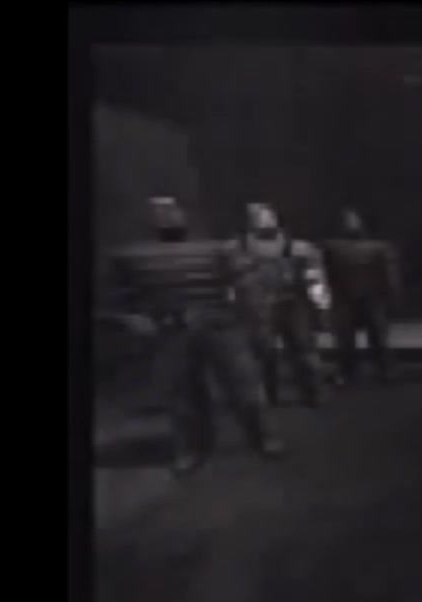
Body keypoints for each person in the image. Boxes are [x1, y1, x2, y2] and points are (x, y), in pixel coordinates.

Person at [108, 197, 283, 474]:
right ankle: (190, 446)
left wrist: (256, 324)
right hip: (171, 329)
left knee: (244, 386)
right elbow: (119, 297)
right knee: (181, 395)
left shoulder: (217, 250)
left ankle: (263, 436)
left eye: (172, 211)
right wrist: (134, 319)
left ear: (185, 216)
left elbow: (247, 286)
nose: (168, 217)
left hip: (219, 324)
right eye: (160, 213)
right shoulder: (133, 258)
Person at [234, 202, 326, 407]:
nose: (265, 221)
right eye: (259, 217)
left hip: (292, 303)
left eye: (268, 216)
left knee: (304, 350)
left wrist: (321, 304)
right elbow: (233, 280)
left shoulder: (299, 248)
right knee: (264, 353)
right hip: (259, 307)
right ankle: (269, 394)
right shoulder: (239, 249)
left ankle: (313, 392)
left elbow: (315, 278)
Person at [320, 208, 401, 383]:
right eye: (348, 220)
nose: (351, 224)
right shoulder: (332, 247)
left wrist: (392, 296)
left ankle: (385, 370)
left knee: (378, 337)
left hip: (372, 297)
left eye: (354, 220)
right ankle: (348, 371)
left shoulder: (379, 248)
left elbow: (389, 275)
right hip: (344, 298)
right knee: (345, 339)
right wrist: (324, 300)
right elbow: (324, 274)